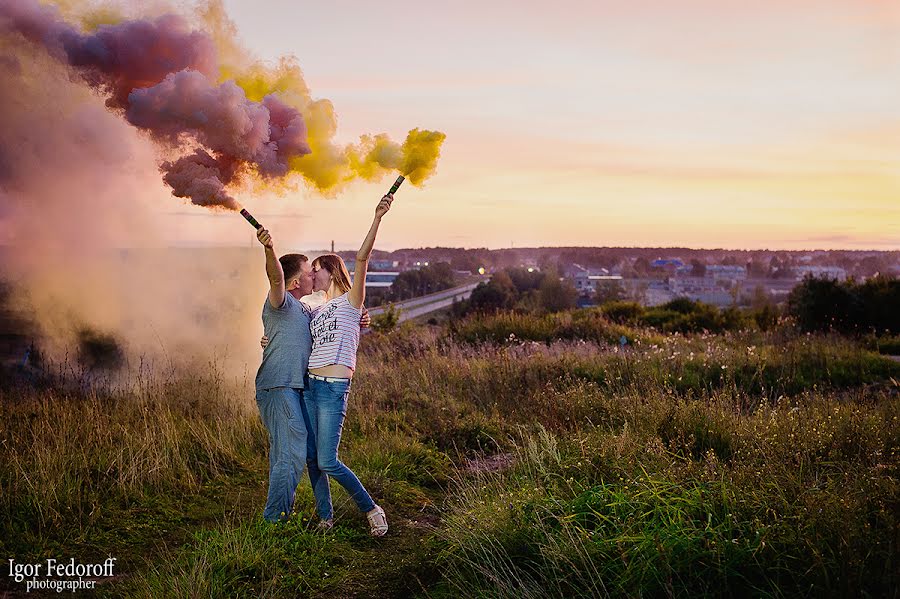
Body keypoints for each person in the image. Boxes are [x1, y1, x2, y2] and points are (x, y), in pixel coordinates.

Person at [253, 227, 369, 524]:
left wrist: (362, 317)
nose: (311, 277)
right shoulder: (282, 302)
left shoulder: (308, 309)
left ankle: (302, 516)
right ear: (295, 281)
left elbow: (336, 320)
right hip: (279, 385)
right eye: (308, 273)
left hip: (299, 388)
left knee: (293, 453)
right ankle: (275, 521)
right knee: (292, 453)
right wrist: (269, 248)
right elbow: (275, 278)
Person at [303, 193, 393, 536]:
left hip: (333, 389)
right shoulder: (316, 308)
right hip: (310, 385)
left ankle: (371, 508)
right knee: (313, 459)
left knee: (327, 459)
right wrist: (269, 340)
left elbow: (362, 256)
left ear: (331, 270)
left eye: (317, 271)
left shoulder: (352, 300)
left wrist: (377, 216)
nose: (313, 277)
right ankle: (326, 517)